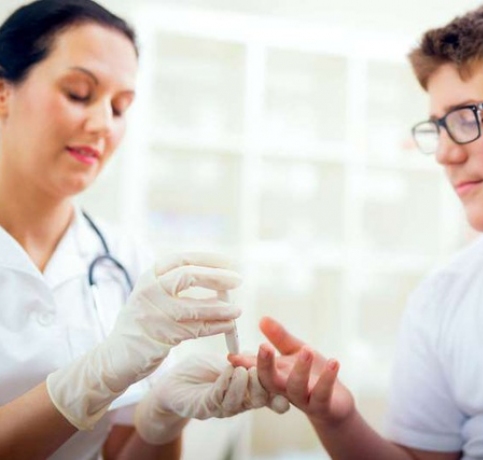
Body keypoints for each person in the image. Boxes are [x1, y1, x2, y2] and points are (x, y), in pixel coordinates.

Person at [230, 0, 483, 458]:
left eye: (467, 118)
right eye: (439, 127)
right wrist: (337, 419)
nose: (445, 153)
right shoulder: (442, 297)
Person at [0, 1, 287, 459]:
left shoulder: (124, 261)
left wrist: (162, 417)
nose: (102, 124)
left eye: (119, 107)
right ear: (3, 93)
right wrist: (92, 378)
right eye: (78, 93)